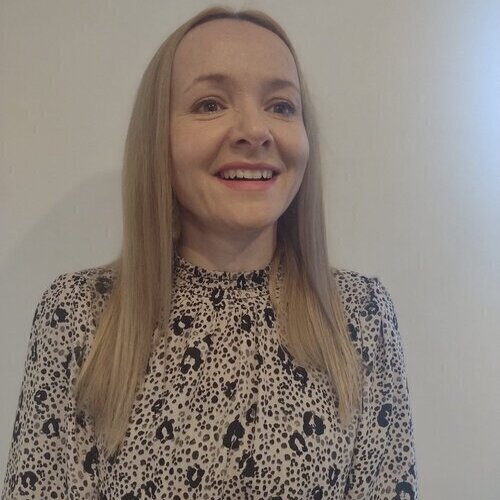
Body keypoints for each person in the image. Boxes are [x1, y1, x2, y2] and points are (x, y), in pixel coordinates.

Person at [2, 6, 418, 499]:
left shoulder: (359, 315)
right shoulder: (81, 315)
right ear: (158, 139)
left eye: (281, 106)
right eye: (210, 104)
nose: (255, 130)